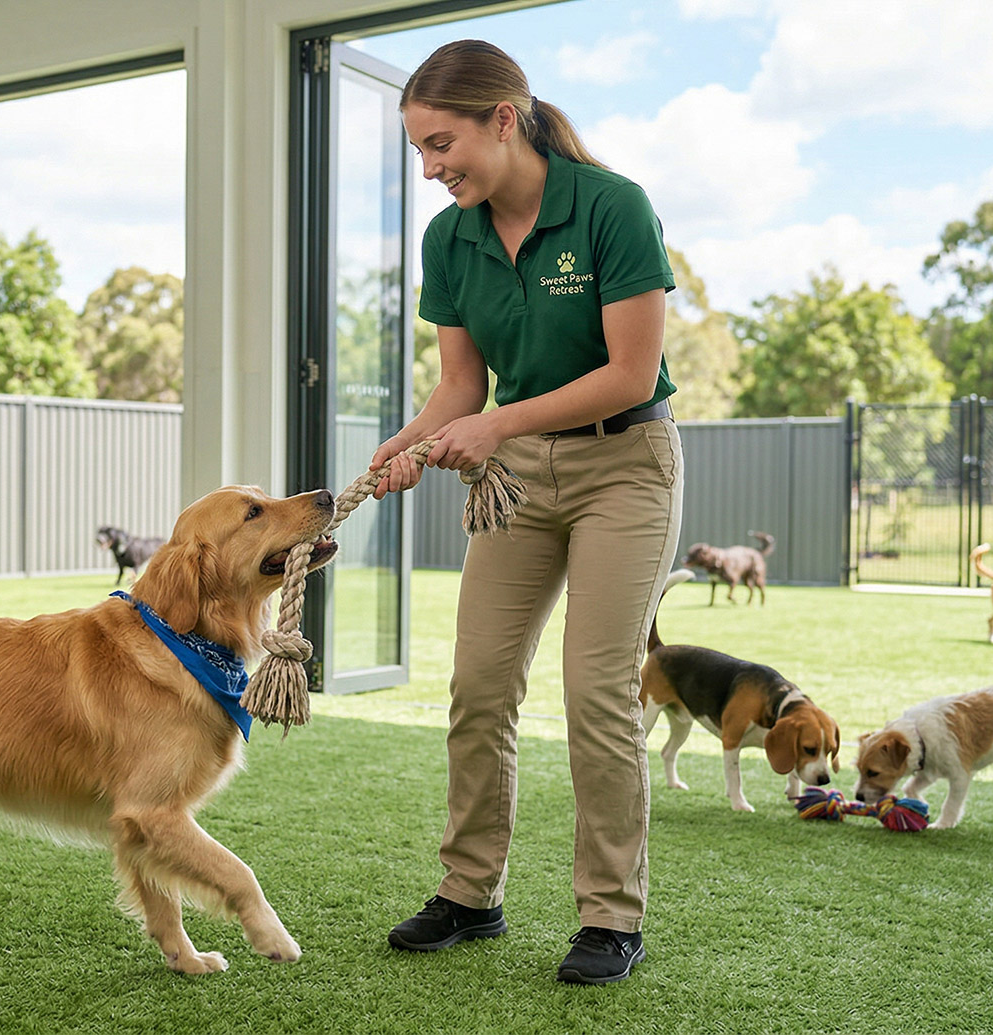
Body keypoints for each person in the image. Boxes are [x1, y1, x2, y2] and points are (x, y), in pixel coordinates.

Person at [369, 39, 682, 985]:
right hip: (516, 481)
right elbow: (458, 387)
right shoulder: (448, 237)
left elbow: (628, 372)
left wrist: (493, 424)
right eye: (420, 152)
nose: (431, 169)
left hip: (625, 465)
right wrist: (408, 443)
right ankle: (471, 893)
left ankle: (610, 918)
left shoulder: (610, 206)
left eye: (441, 144)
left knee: (596, 690)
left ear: (504, 119)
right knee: (479, 685)